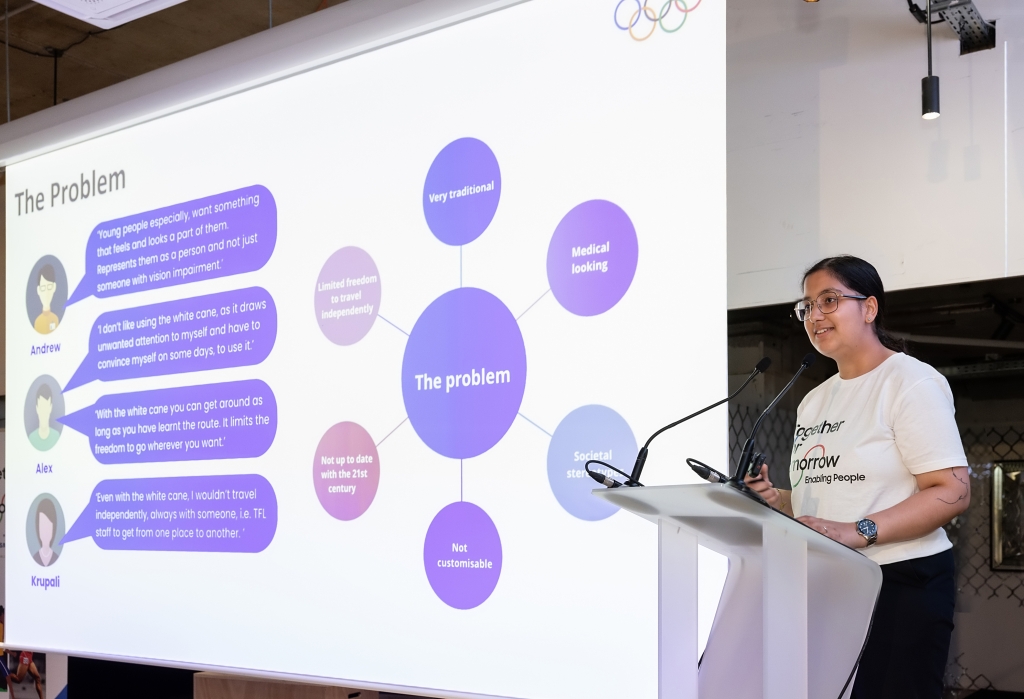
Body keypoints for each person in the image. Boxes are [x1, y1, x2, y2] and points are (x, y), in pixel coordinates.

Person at [745, 255, 969, 699]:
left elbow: (953, 491)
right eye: (807, 306)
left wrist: (858, 531)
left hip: (901, 580)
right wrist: (776, 498)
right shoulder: (813, 400)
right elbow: (831, 498)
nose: (815, 315)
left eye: (829, 300)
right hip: (829, 579)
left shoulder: (910, 381)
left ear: (869, 308)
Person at [27, 384, 60, 452]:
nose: (44, 412)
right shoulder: (31, 439)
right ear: (37, 408)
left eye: (46, 407)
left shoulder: (57, 437)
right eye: (42, 407)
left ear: (50, 408)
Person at [31, 498, 60, 567]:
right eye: (42, 525)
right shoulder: (35, 557)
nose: (45, 530)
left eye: (48, 525)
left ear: (53, 528)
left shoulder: (56, 557)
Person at [33, 264, 60, 335]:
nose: (46, 293)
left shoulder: (55, 319)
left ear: (54, 287)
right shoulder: (37, 322)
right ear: (38, 290)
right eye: (43, 288)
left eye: (49, 287)